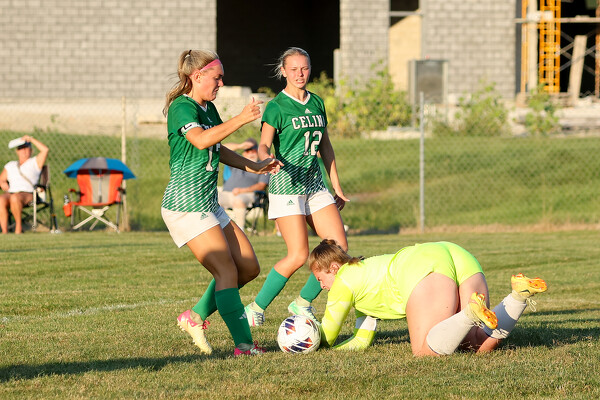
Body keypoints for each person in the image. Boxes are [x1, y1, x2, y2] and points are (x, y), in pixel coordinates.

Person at [161, 49, 282, 356]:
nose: (221, 83)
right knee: (226, 271)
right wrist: (241, 119)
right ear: (196, 77)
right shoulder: (181, 107)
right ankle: (245, 346)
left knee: (248, 268)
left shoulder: (209, 107)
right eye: (217, 78)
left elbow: (217, 147)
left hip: (207, 203)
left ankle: (195, 316)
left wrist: (253, 166)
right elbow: (201, 140)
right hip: (185, 205)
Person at [244, 47, 349, 326]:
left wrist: (336, 186)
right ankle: (255, 307)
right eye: (293, 69)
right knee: (299, 255)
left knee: (338, 248)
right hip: (286, 185)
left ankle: (302, 303)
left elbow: (325, 147)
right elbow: (264, 144)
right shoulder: (277, 106)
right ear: (283, 71)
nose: (300, 74)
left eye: (304, 68)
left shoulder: (317, 102)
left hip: (314, 184)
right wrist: (267, 159)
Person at [308, 239, 548, 355]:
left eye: (320, 279)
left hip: (422, 264)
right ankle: (518, 296)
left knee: (424, 352)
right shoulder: (362, 282)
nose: (321, 286)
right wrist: (333, 352)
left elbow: (327, 334)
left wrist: (303, 338)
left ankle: (469, 313)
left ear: (334, 268)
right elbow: (361, 340)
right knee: (475, 344)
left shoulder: (343, 281)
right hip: (457, 253)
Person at [0, 135, 49, 234]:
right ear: (17, 151)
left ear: (31, 151)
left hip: (28, 193)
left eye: (27, 148)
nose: (24, 151)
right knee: (1, 199)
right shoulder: (10, 165)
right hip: (12, 192)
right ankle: (4, 231)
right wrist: (3, 182)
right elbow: (1, 179)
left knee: (15, 198)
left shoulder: (35, 162)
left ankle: (18, 228)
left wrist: (31, 139)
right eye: (21, 148)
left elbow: (45, 150)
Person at [219, 138, 269, 230]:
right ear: (244, 153)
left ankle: (240, 230)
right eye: (248, 151)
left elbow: (261, 185)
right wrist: (240, 146)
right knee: (213, 198)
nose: (251, 153)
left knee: (239, 200)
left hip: (248, 194)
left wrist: (242, 190)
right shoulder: (237, 162)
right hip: (227, 194)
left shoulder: (261, 166)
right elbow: (219, 148)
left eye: (253, 150)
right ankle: (218, 229)